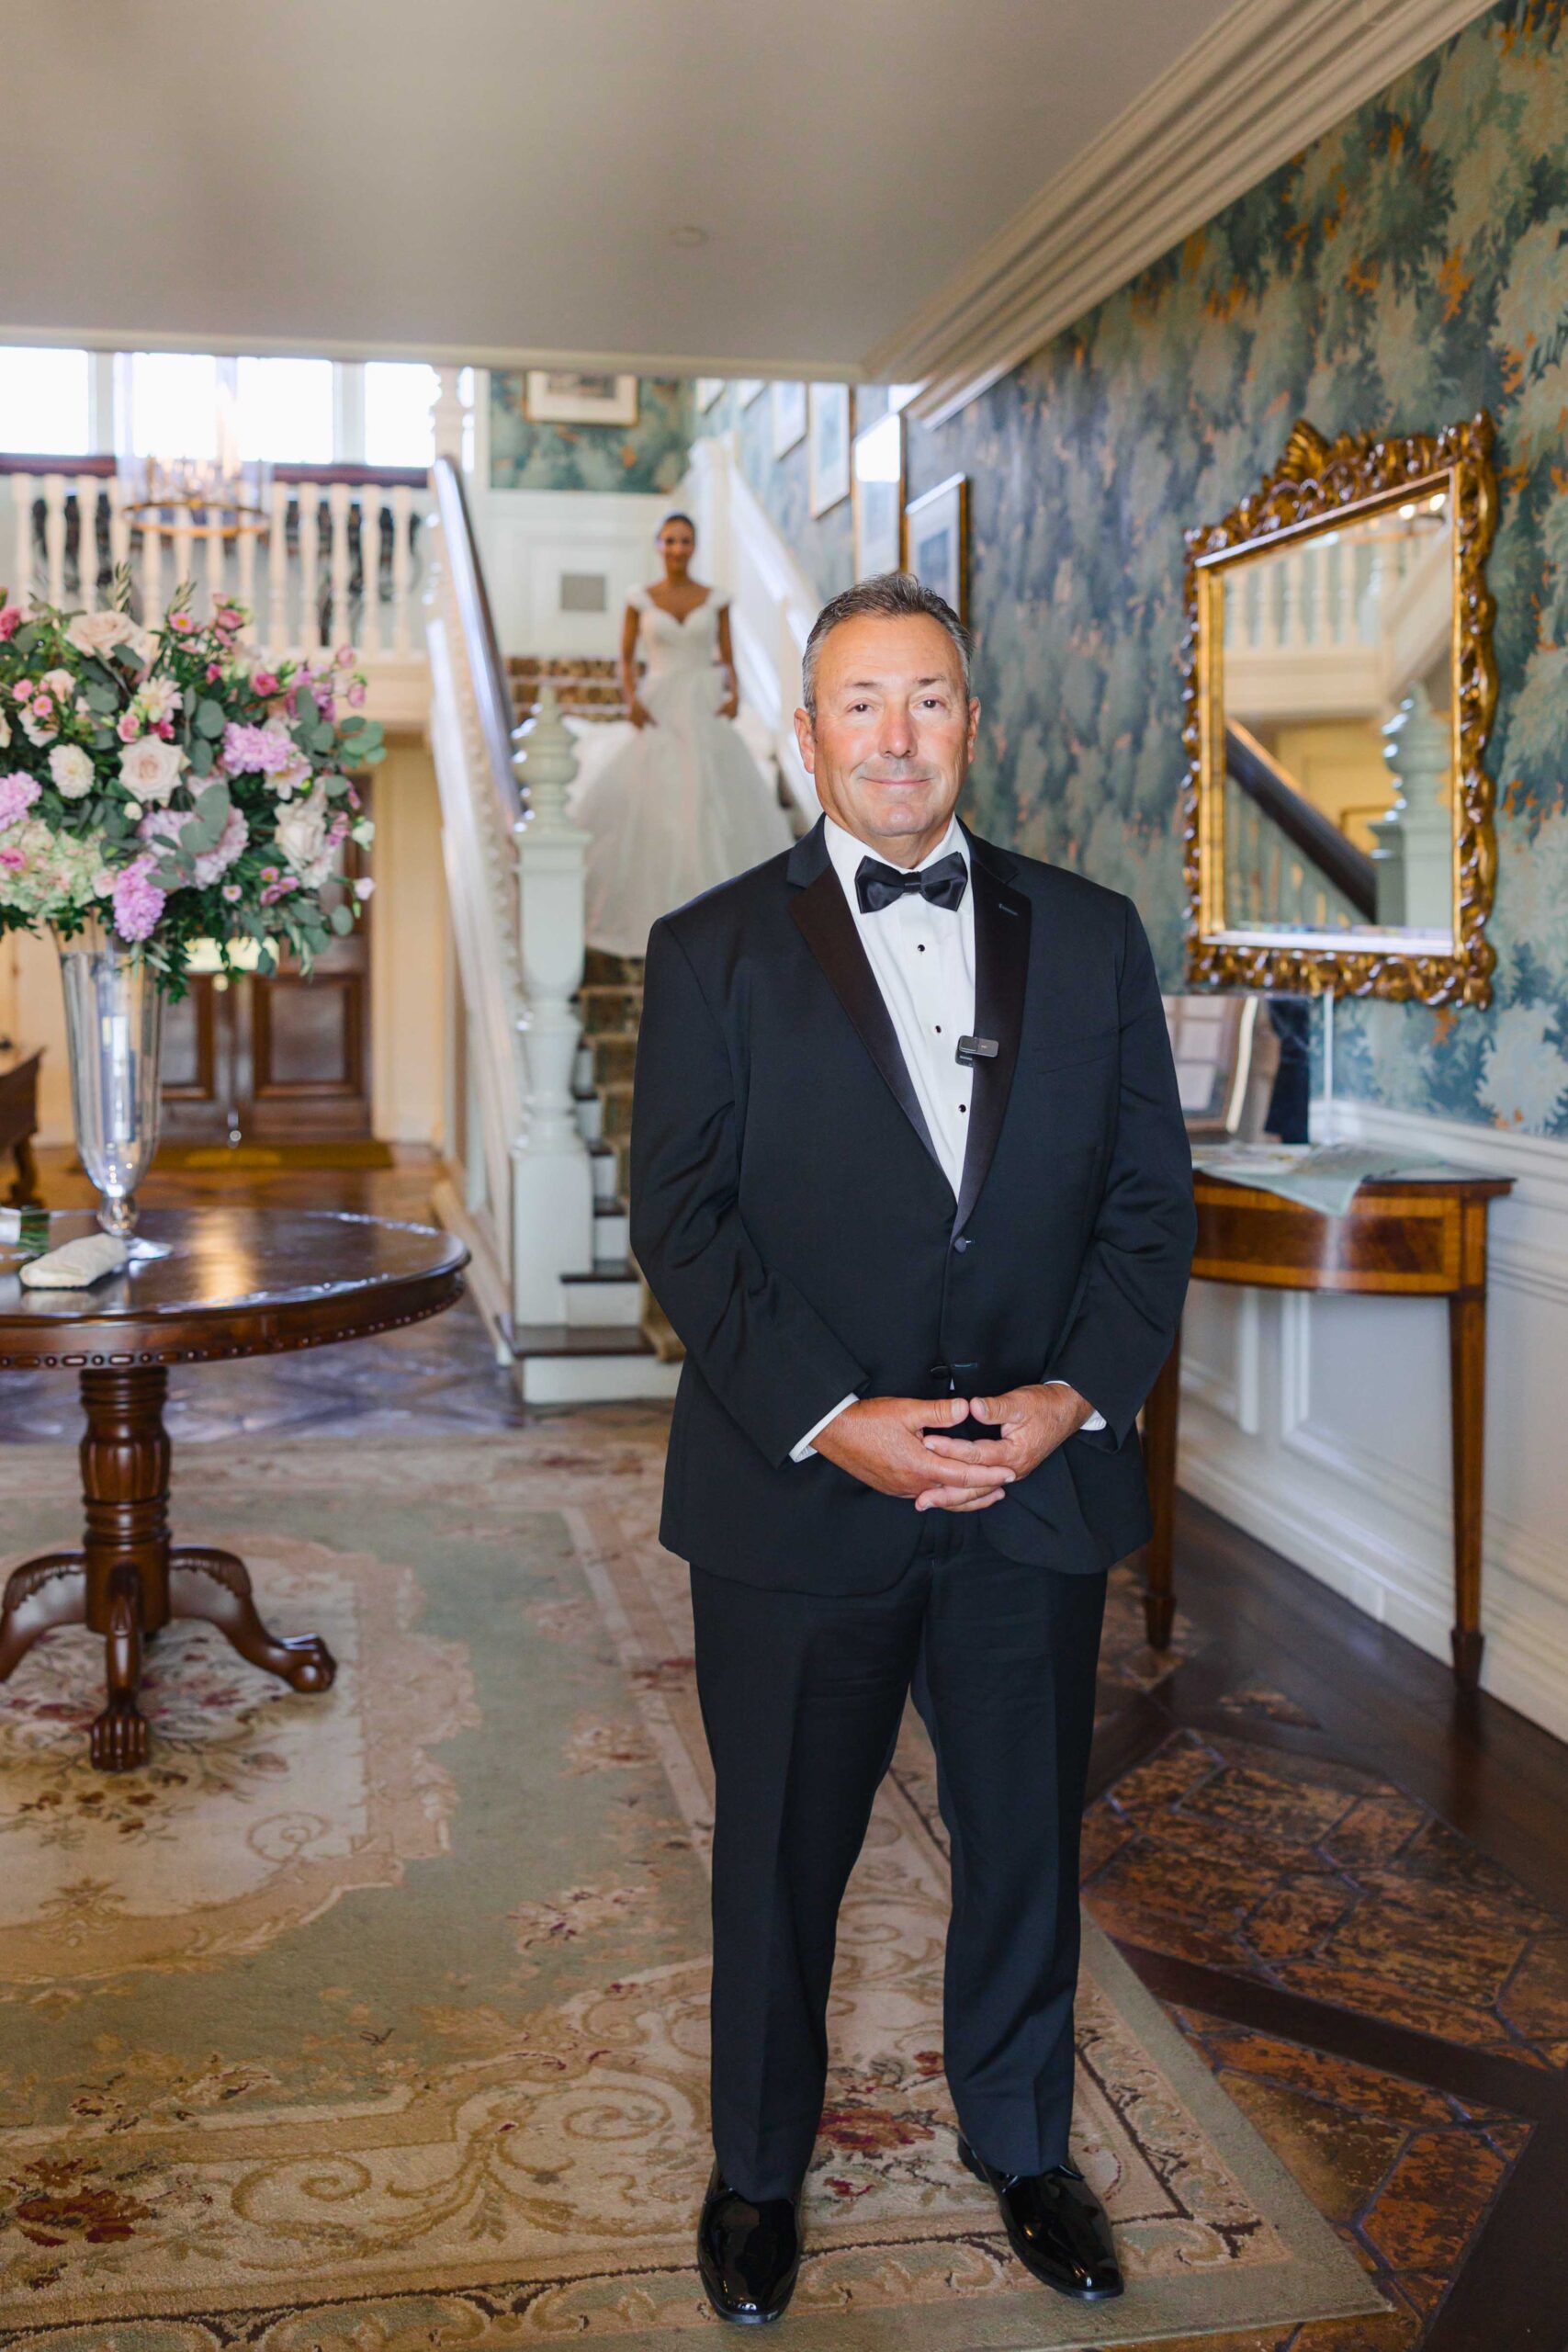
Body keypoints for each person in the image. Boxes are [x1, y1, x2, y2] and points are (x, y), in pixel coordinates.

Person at [630, 572, 1195, 2325]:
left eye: (928, 698)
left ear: (971, 723)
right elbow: (684, 1225)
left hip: (1032, 1487)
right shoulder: (709, 949)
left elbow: (1146, 1208)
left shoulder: (1091, 934)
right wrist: (836, 1420)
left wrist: (1064, 1400)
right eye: (860, 703)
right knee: (777, 1856)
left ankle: (1024, 2149)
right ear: (806, 736)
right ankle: (755, 2176)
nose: (896, 735)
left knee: (1021, 1843)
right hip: (798, 1494)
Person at [568, 512, 793, 957]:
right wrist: (631, 699)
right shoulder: (640, 599)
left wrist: (734, 694)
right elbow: (625, 657)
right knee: (656, 794)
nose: (677, 548)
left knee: (707, 793)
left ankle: (715, 917)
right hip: (659, 704)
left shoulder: (715, 599)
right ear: (658, 545)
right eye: (670, 540)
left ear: (694, 546)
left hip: (703, 701)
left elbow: (727, 656)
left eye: (685, 540)